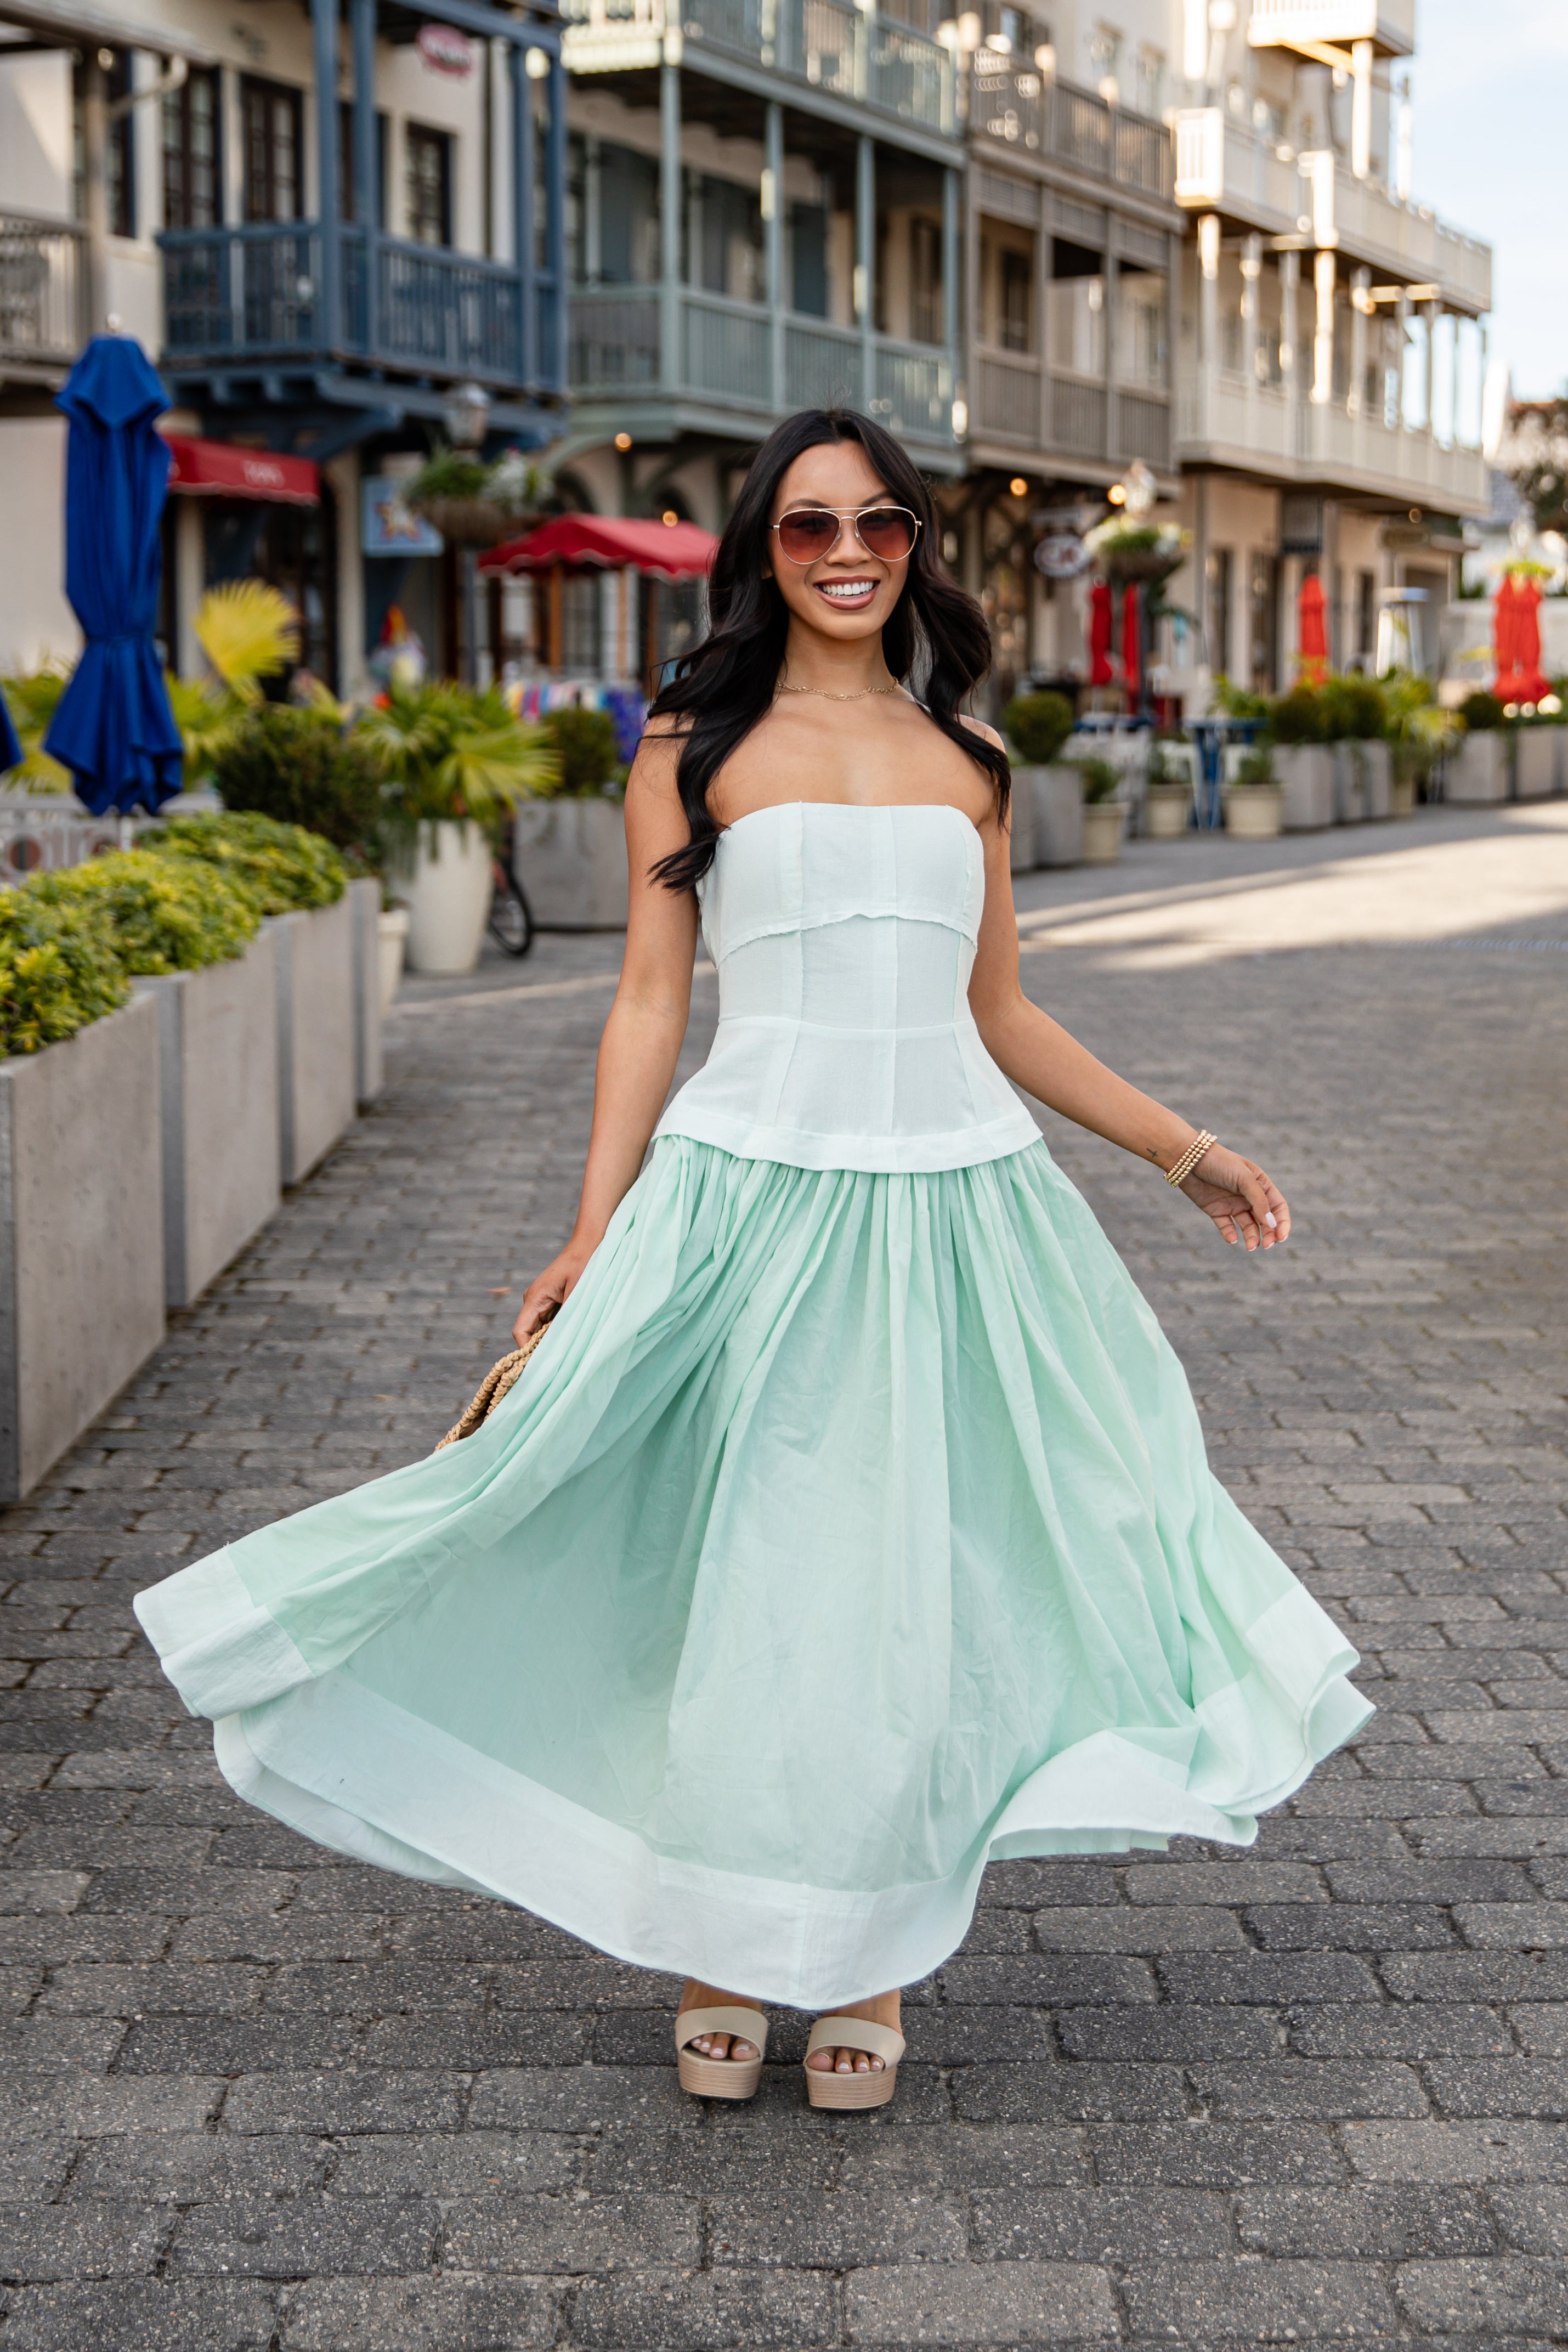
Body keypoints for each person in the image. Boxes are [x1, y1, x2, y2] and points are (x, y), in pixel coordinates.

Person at [134, 409, 1371, 2113]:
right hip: (747, 1207)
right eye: (808, 527)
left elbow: (997, 1014)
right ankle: (730, 1946)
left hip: (953, 1217)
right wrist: (592, 1226)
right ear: (763, 550)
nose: (848, 551)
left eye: (880, 522)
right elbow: (647, 1003)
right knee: (755, 1578)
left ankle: (858, 1960)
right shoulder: (689, 748)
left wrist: (1186, 1155)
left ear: (918, 543)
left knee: (901, 1591)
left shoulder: (973, 762)